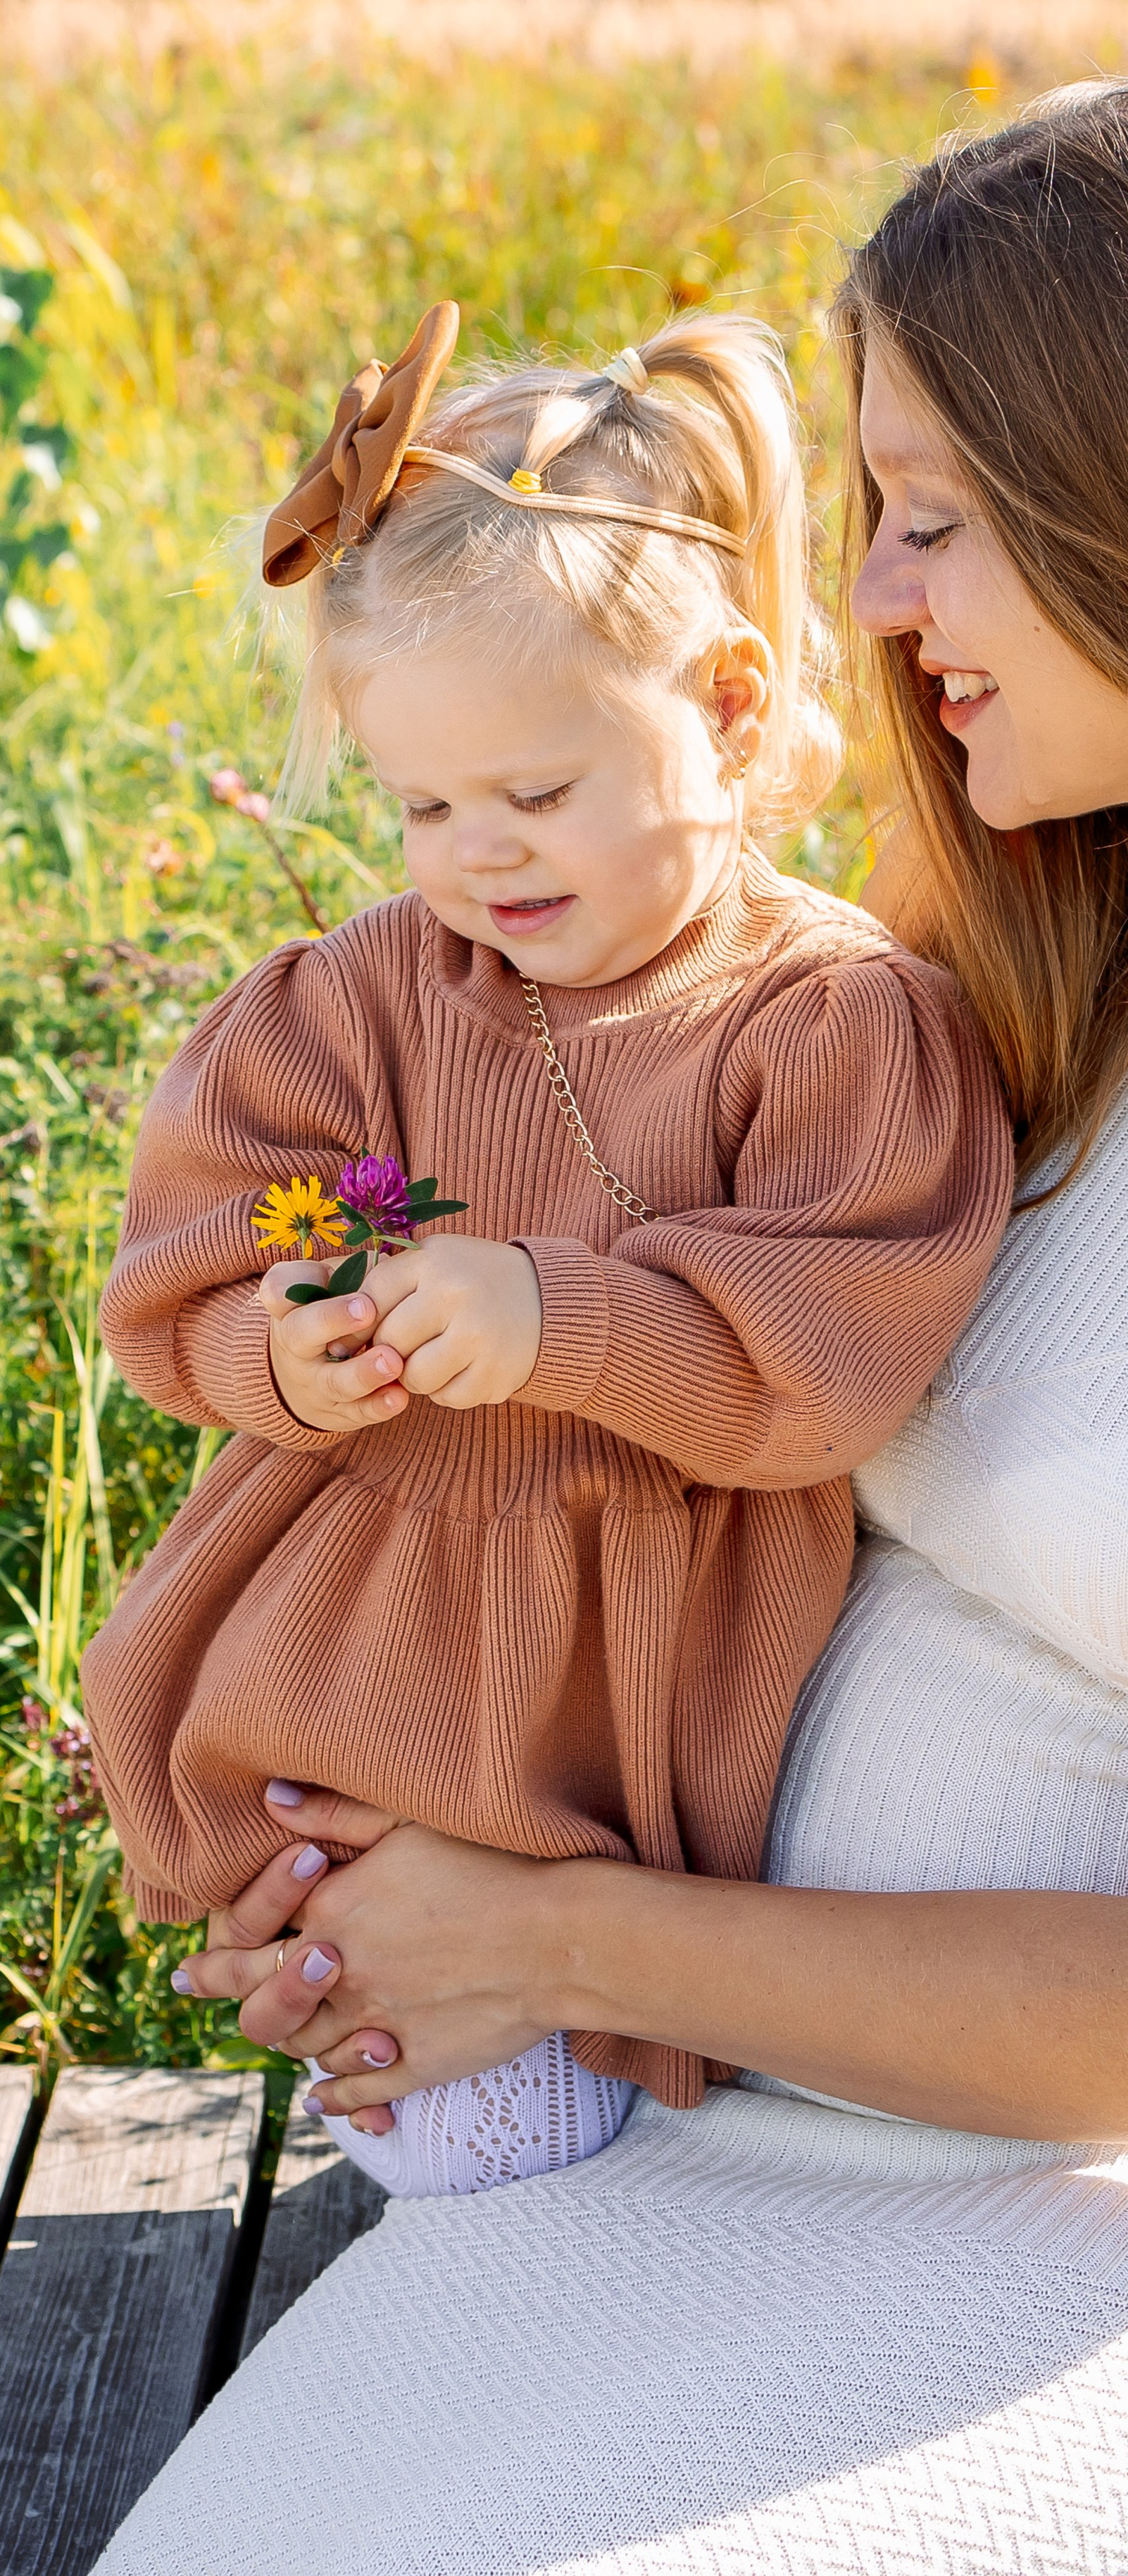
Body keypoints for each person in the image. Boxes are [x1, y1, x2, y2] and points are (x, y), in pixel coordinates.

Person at [99, 67, 1128, 2576]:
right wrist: (384, 1797)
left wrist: (541, 1935)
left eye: (930, 522)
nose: (874, 609)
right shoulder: (1111, 891)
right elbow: (611, 1306)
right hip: (721, 2101)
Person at [81, 303, 1011, 2202]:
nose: (475, 858)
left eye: (535, 792)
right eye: (424, 804)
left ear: (733, 710)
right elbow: (191, 1241)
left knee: (553, 2123)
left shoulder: (822, 1022)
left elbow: (830, 1346)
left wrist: (552, 1312)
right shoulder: (368, 998)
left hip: (607, 1688)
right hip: (354, 1651)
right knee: (407, 2076)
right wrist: (286, 1337)